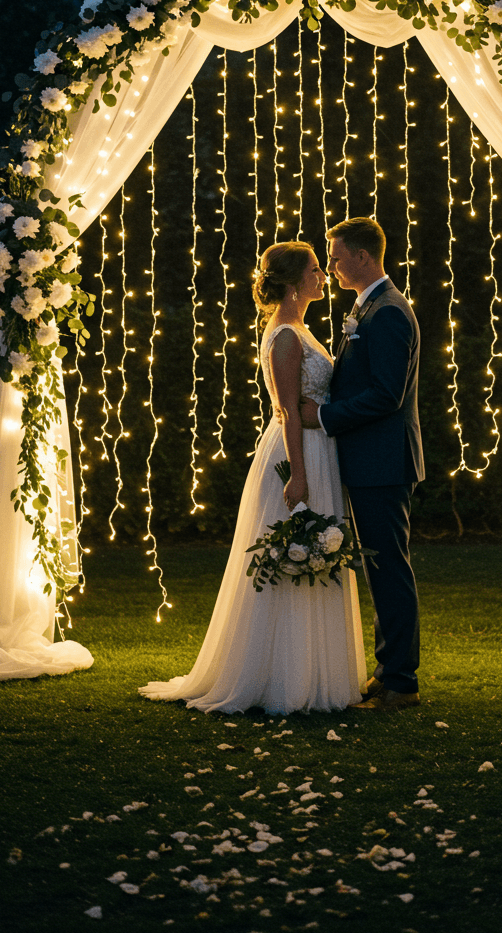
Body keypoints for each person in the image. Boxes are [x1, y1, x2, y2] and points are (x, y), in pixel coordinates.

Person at [139, 241, 365, 714]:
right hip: (295, 454)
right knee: (294, 556)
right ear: (292, 280)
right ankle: (282, 676)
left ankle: (317, 671)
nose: (322, 276)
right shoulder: (284, 335)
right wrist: (299, 475)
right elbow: (285, 410)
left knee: (315, 554)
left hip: (319, 450)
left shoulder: (300, 327)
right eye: (315, 270)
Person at [300, 217, 423, 712]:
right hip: (371, 461)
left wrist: (324, 416)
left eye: (335, 256)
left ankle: (401, 682)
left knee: (389, 569)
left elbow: (386, 395)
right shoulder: (370, 307)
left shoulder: (388, 312)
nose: (330, 266)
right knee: (380, 569)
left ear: (362, 257)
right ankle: (387, 671)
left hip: (383, 462)